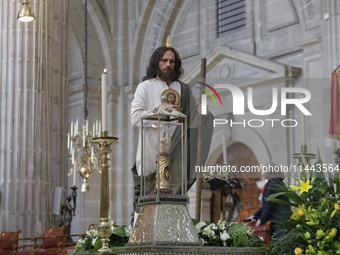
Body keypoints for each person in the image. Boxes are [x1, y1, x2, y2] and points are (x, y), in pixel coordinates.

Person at [130, 46, 214, 215]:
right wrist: (161, 110)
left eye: (172, 61)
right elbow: (134, 117)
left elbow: (192, 123)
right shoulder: (145, 87)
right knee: (148, 203)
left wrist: (203, 116)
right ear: (157, 62)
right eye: (164, 60)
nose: (168, 64)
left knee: (173, 202)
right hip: (151, 150)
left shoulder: (183, 89)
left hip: (176, 153)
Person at [247, 167, 290, 237]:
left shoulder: (272, 183)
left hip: (279, 222)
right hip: (284, 219)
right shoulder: (280, 182)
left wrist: (262, 219)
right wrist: (255, 215)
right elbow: (268, 204)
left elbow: (269, 204)